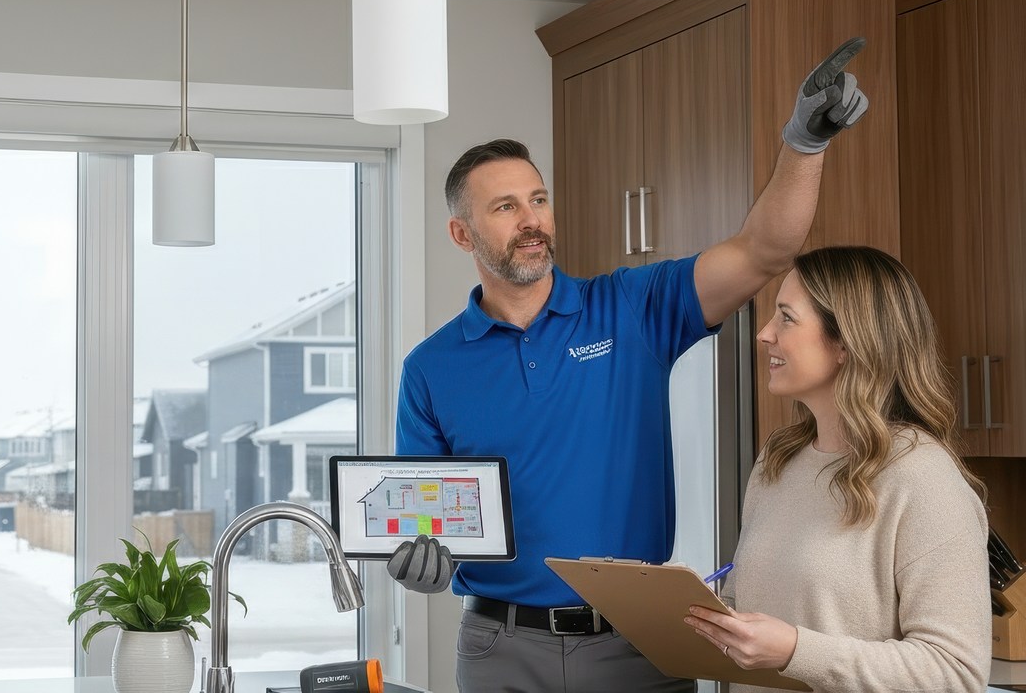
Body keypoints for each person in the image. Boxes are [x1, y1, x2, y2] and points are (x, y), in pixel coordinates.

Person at [389, 39, 871, 693]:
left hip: (637, 641)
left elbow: (766, 250)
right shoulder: (429, 370)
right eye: (505, 208)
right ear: (462, 234)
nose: (532, 221)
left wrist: (804, 143)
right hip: (498, 648)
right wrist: (419, 563)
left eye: (538, 199)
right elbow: (427, 534)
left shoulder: (631, 308)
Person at [684, 246, 991, 692]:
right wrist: (700, 612)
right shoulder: (779, 459)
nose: (764, 334)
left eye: (786, 318)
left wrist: (795, 651)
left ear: (847, 342)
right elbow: (762, 610)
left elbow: (955, 673)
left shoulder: (923, 478)